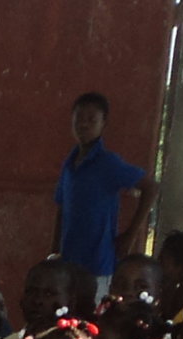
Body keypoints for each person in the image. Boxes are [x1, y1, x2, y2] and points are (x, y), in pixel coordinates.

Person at [56, 91, 150, 290]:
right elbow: (61, 209)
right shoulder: (69, 164)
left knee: (91, 318)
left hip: (98, 265)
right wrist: (55, 253)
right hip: (68, 264)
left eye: (91, 119)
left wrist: (130, 235)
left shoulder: (108, 163)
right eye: (79, 118)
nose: (83, 124)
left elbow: (151, 188)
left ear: (103, 124)